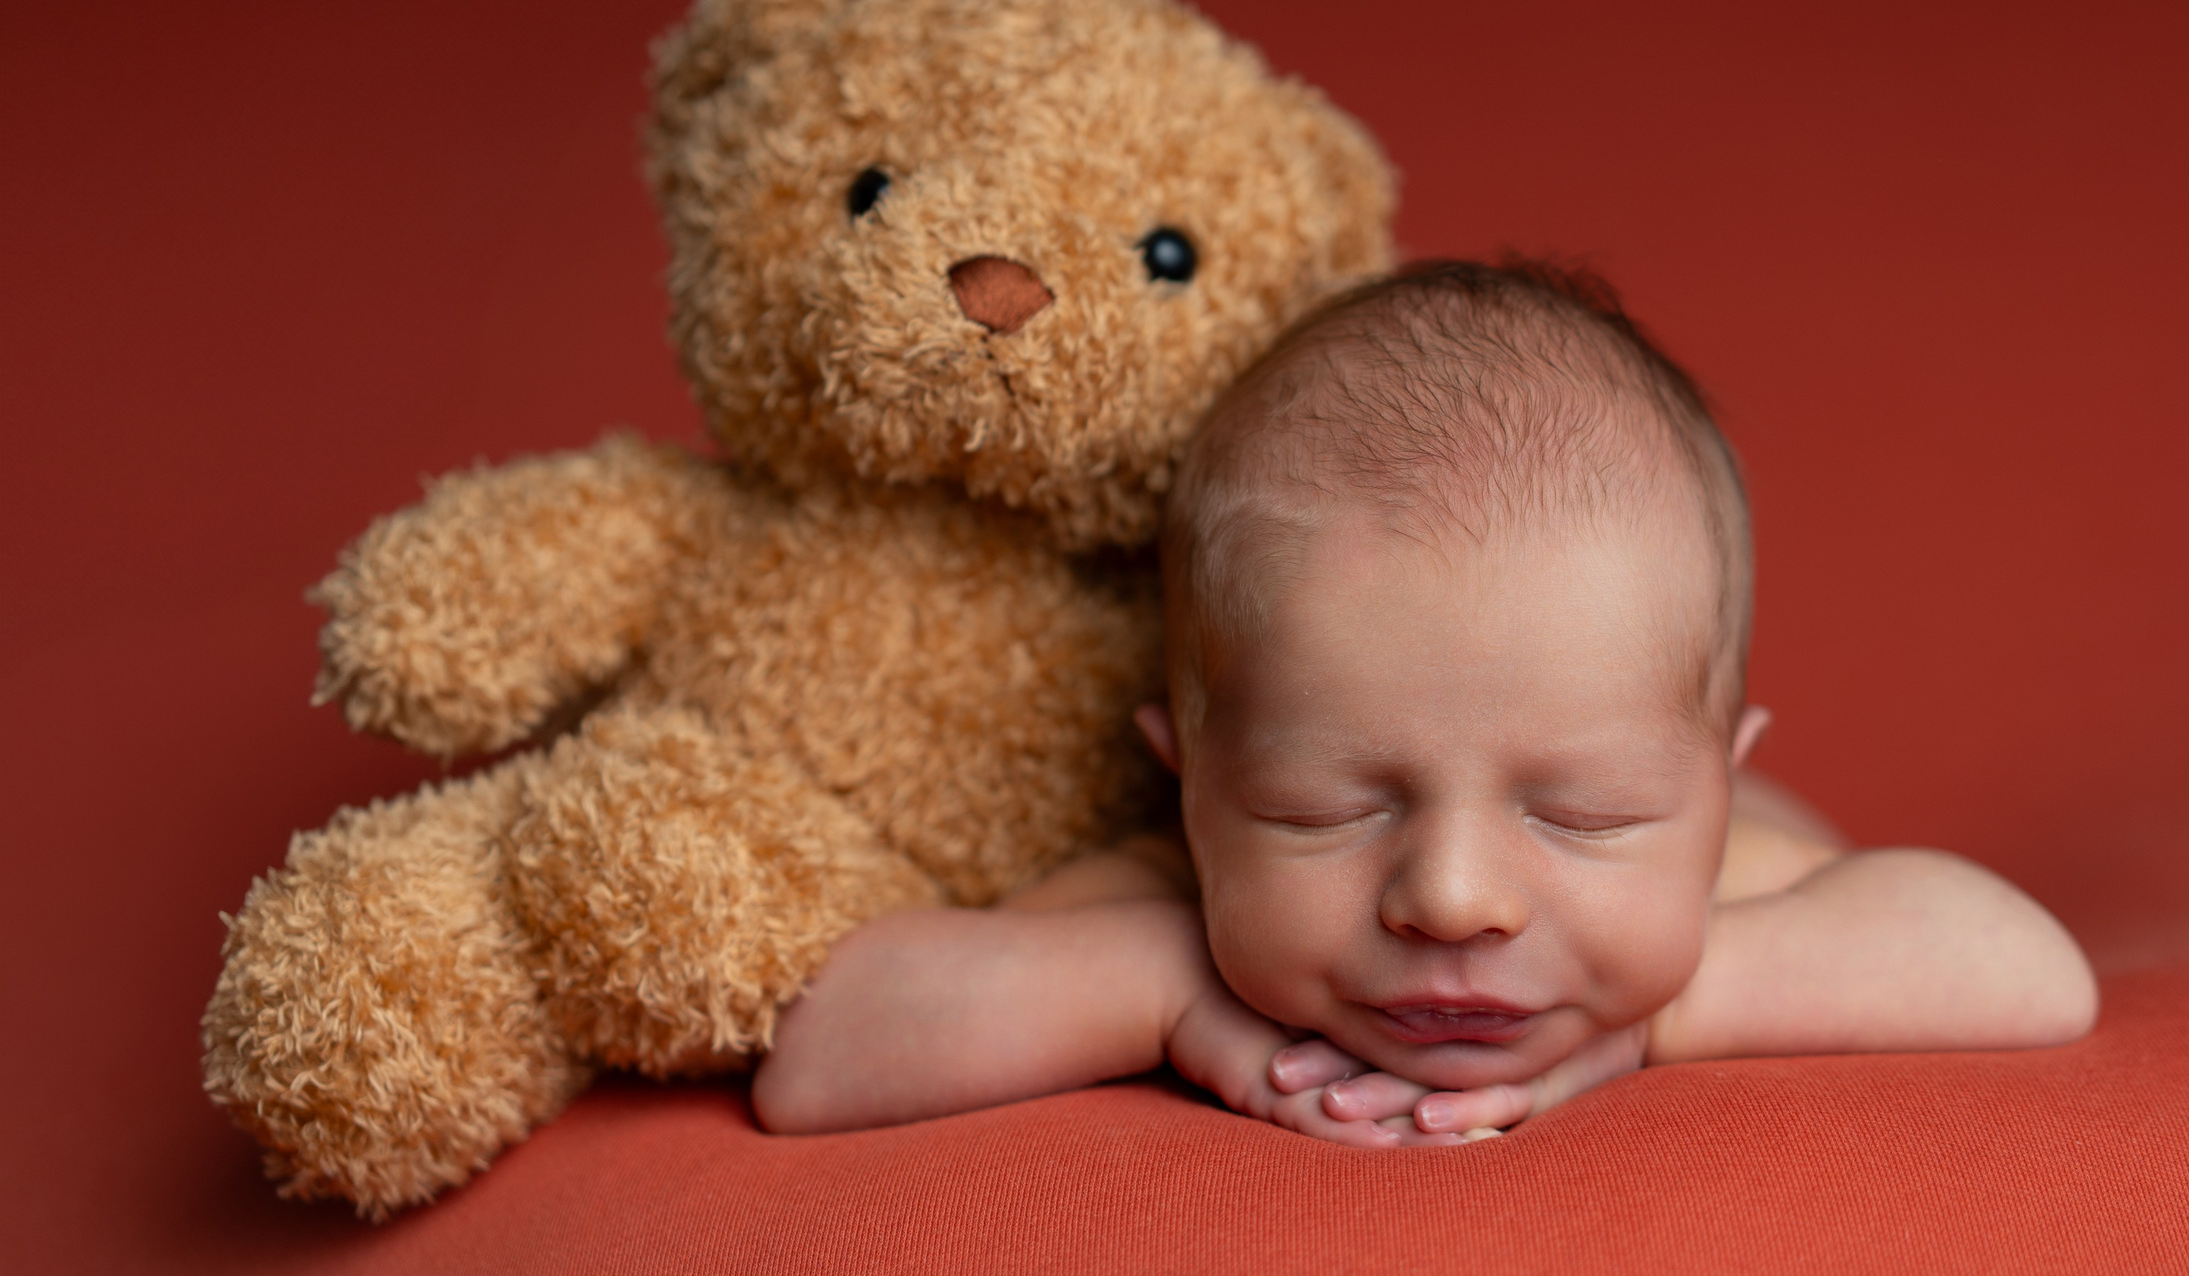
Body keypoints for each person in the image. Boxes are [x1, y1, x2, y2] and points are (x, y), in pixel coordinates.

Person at [754, 259, 2096, 1147]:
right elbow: (819, 1052)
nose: (1453, 899)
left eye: (1584, 816)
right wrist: (1173, 993)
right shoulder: (1168, 888)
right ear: (1193, 778)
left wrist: (1659, 1014)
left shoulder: (1739, 879)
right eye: (1323, 808)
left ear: (1717, 787)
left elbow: (2029, 971)